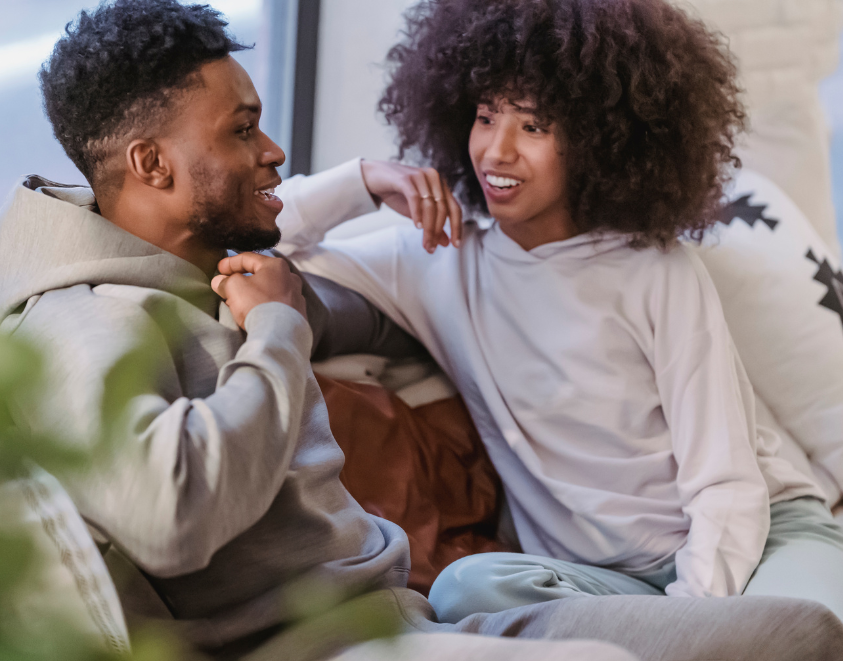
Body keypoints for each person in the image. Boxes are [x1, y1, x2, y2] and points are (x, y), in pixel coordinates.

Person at [0, 1, 843, 661]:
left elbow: (319, 288)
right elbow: (168, 514)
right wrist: (279, 330)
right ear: (151, 164)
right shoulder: (81, 319)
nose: (273, 149)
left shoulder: (205, 269)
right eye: (243, 130)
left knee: (798, 647)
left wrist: (350, 200)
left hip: (402, 618)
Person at [276, 0, 843, 625]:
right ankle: (684, 655)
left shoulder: (656, 271)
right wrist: (365, 178)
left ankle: (691, 653)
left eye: (534, 126)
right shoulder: (439, 256)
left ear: (600, 138)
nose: (496, 151)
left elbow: (726, 485)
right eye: (486, 116)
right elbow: (259, 239)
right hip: (600, 582)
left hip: (760, 538)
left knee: (808, 633)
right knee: (466, 591)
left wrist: (693, 621)